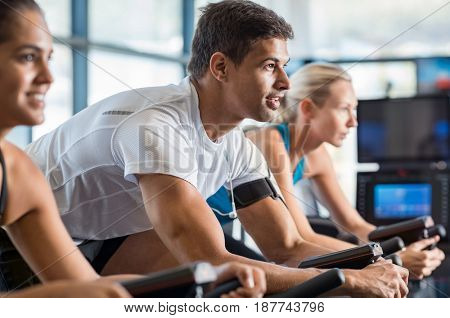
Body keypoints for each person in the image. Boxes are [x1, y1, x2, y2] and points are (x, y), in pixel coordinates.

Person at [26, 0, 408, 297]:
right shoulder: (156, 126)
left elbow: (286, 245)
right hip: (20, 241)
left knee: (244, 286)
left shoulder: (236, 146)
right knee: (222, 281)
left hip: (98, 238)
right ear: (221, 67)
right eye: (270, 66)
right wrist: (353, 283)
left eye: (285, 66)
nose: (286, 83)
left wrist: (376, 266)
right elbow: (210, 260)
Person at [0, 0, 265, 298]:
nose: (48, 78)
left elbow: (86, 286)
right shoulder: (154, 122)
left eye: (47, 59)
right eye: (26, 57)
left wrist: (203, 278)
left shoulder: (20, 171)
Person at [209, 62, 445, 279]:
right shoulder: (271, 142)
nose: (354, 121)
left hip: (220, 231)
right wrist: (391, 259)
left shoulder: (317, 155)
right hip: (198, 231)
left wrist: (405, 248)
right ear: (309, 108)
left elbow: (355, 225)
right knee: (264, 284)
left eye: (355, 109)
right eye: (344, 109)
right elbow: (301, 238)